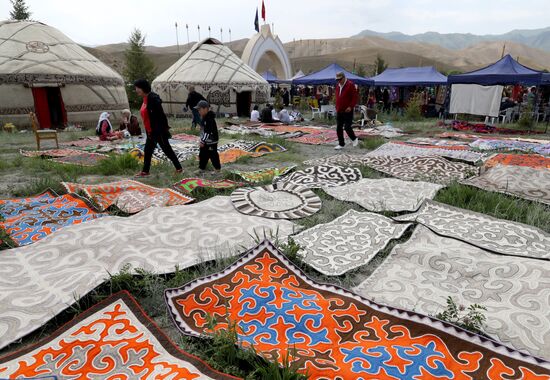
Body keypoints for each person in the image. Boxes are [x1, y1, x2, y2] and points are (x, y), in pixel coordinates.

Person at [133, 79, 182, 177]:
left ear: (143, 88)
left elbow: (161, 116)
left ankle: (179, 169)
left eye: (137, 88)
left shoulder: (153, 99)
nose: (136, 90)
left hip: (158, 131)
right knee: (148, 150)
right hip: (150, 131)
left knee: (167, 149)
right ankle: (145, 171)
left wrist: (163, 129)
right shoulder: (145, 99)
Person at [334, 71, 359, 150]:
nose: (339, 81)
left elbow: (355, 98)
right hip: (339, 110)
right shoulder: (338, 86)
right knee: (338, 127)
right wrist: (336, 106)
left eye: (340, 79)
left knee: (347, 127)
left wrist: (350, 106)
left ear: (344, 77)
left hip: (347, 110)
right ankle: (341, 144)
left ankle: (354, 139)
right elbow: (338, 97)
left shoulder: (350, 85)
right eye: (337, 79)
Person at [195, 100, 221, 171]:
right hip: (206, 140)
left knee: (213, 155)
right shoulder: (204, 117)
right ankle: (201, 168)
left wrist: (202, 141)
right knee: (203, 154)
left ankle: (217, 169)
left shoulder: (209, 118)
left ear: (205, 109)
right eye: (198, 110)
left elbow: (207, 132)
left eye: (199, 109)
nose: (198, 111)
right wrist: (202, 139)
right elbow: (204, 130)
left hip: (211, 141)